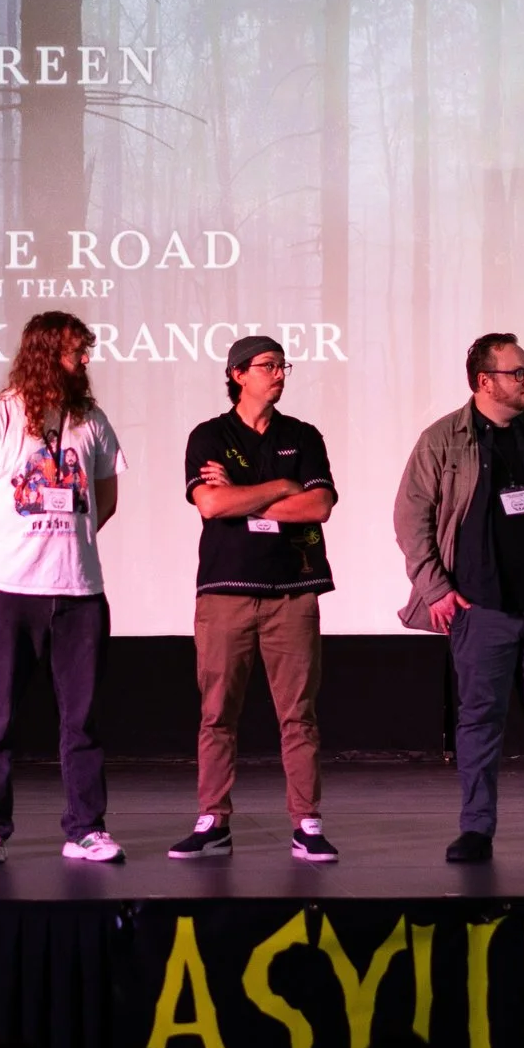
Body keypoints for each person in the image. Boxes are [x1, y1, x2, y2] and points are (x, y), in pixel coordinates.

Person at [395, 333, 524, 863]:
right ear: (484, 381)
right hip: (481, 609)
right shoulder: (443, 439)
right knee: (478, 720)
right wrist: (435, 589)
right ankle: (475, 828)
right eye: (518, 372)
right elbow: (411, 519)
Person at [0, 312, 127, 864]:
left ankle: (85, 829)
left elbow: (106, 500)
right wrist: (12, 551)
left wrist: (63, 546)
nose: (85, 360)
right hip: (8, 594)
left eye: (86, 351)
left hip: (80, 594)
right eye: (77, 351)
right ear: (47, 352)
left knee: (82, 717)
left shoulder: (92, 420)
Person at [168, 336, 342, 863]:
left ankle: (306, 823)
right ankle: (213, 821)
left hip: (293, 592)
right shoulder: (208, 436)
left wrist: (250, 494)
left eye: (282, 364)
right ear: (238, 374)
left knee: (299, 714)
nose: (280, 373)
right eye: (268, 365)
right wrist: (280, 487)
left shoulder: (303, 436)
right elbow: (212, 504)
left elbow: (319, 506)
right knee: (217, 712)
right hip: (226, 592)